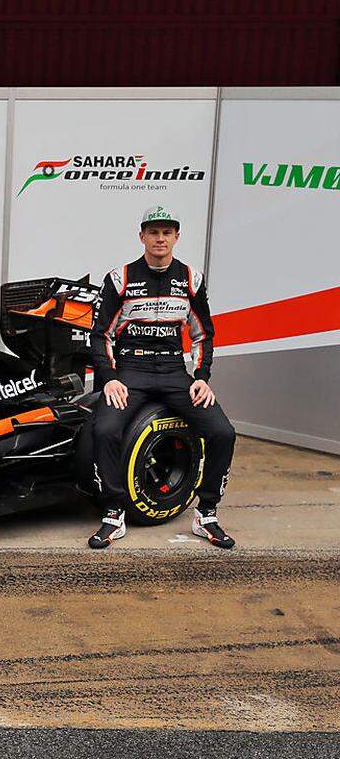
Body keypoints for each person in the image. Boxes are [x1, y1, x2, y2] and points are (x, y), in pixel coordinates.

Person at [87, 206, 237, 550]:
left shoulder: (190, 278)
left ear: (176, 237)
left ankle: (207, 513)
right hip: (130, 371)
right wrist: (109, 377)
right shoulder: (120, 277)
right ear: (142, 236)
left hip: (173, 372)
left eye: (166, 232)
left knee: (223, 432)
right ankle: (113, 512)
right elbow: (101, 336)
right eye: (153, 232)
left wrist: (201, 377)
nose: (160, 238)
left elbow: (203, 335)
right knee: (104, 429)